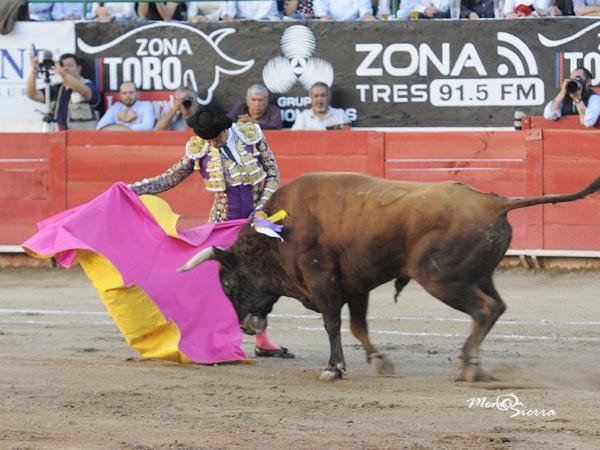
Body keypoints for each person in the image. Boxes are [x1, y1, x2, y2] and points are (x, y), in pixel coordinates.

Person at [129, 105, 295, 358]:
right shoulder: (201, 148)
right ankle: (215, 341)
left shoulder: (251, 134)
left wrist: (261, 207)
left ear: (225, 129)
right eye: (206, 139)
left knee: (260, 284)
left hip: (256, 223)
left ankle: (262, 340)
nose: (211, 144)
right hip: (221, 224)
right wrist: (133, 190)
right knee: (215, 285)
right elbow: (171, 177)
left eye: (214, 138)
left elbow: (272, 173)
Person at [26, 52, 101, 130]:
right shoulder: (58, 88)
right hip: (58, 135)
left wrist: (63, 74)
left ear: (79, 68)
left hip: (81, 136)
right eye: (62, 66)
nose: (65, 68)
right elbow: (33, 95)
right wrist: (34, 71)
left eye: (69, 65)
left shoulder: (88, 84)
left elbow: (85, 92)